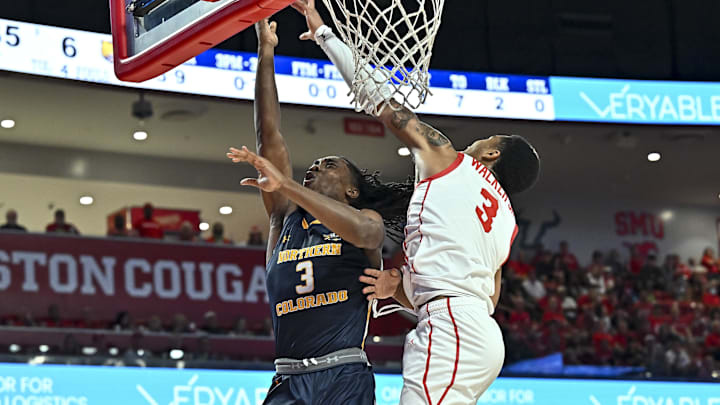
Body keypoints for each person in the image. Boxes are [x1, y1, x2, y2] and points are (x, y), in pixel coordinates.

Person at [291, 1, 540, 403]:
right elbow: (481, 295)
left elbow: (383, 105)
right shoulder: (505, 225)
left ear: (492, 154)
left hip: (453, 329)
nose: (478, 141)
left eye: (488, 139)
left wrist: (325, 35)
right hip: (478, 334)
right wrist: (400, 286)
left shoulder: (452, 161)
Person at [225, 19, 412, 405]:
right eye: (315, 164)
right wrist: (266, 49)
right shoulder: (285, 218)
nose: (314, 167)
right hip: (288, 378)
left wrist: (286, 184)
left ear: (351, 190)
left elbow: (365, 232)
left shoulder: (365, 222)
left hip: (342, 375)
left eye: (329, 165)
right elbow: (269, 134)